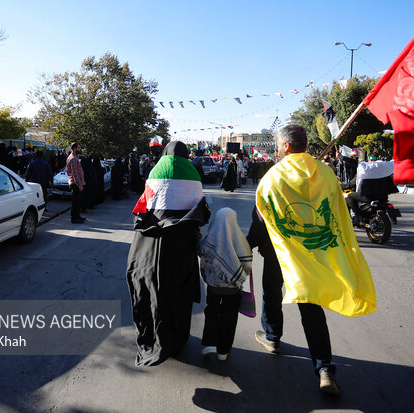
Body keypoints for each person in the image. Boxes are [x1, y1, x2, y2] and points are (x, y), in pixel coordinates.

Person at [248, 125, 376, 395]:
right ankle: (325, 368)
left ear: (285, 146)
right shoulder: (325, 173)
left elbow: (261, 214)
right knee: (311, 307)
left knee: (271, 291)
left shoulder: (273, 177)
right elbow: (337, 211)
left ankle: (272, 338)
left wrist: (249, 244)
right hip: (313, 253)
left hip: (279, 251)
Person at [126, 141, 210, 366]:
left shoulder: (156, 169)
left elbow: (144, 205)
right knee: (179, 294)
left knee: (152, 291)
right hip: (182, 245)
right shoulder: (192, 172)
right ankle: (178, 337)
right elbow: (200, 209)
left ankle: (155, 337)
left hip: (152, 244)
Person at [199, 207, 252, 361]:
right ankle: (223, 351)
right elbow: (247, 263)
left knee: (212, 312)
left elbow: (201, 251)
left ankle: (209, 343)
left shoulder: (210, 238)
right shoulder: (240, 239)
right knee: (230, 317)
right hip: (233, 289)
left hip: (213, 287)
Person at [66, 142, 86, 223]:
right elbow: (75, 173)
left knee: (77, 201)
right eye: (79, 147)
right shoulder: (73, 159)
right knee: (75, 202)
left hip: (75, 183)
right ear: (74, 148)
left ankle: (77, 216)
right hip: (75, 184)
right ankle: (74, 218)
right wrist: (79, 184)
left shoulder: (74, 157)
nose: (80, 149)